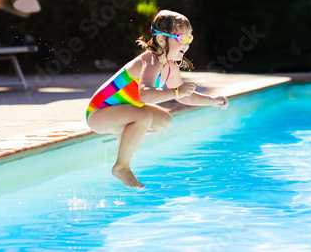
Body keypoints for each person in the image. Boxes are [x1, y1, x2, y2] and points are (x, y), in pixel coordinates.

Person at [86, 10, 229, 188]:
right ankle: (121, 167)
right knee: (144, 117)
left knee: (163, 120)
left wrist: (212, 101)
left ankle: (122, 134)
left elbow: (186, 96)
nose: (187, 44)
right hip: (99, 113)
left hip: (120, 110)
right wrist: (176, 92)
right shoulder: (150, 61)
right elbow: (145, 94)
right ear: (162, 39)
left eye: (189, 39)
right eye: (181, 38)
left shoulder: (170, 67)